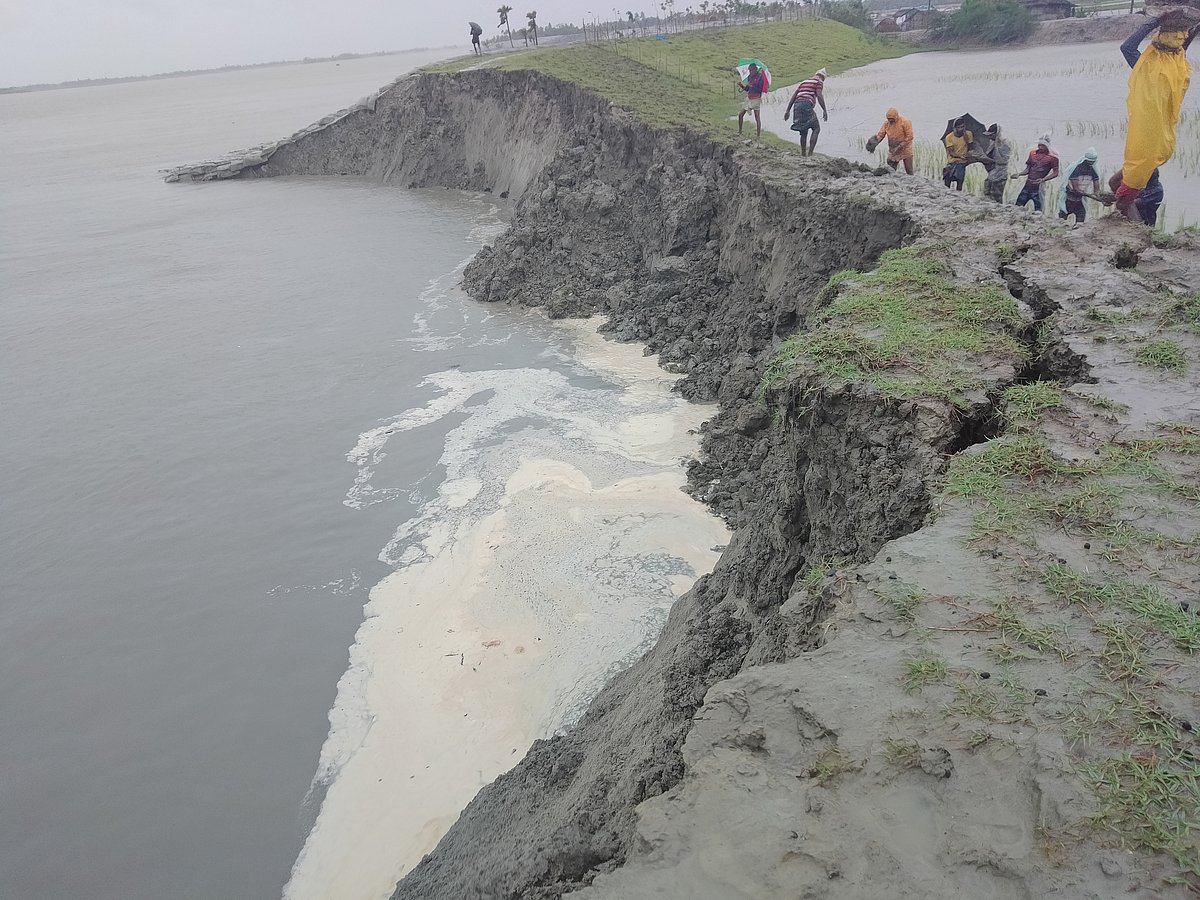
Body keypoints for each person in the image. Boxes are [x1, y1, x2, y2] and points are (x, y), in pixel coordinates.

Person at [1115, 15, 1199, 220]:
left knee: (1122, 202)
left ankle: (1138, 232)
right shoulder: (1176, 67)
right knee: (1113, 184)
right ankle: (1129, 206)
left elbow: (1127, 48)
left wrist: (1154, 21)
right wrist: (1194, 27)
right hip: (1161, 144)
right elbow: (1182, 46)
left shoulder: (1147, 69)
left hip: (1147, 148)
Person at [784, 68, 828, 156]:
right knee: (816, 128)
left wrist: (788, 110)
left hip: (797, 106)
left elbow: (794, 95)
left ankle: (803, 154)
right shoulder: (819, 82)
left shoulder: (804, 82)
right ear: (823, 77)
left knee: (803, 130)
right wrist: (824, 110)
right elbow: (819, 95)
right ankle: (810, 154)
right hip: (806, 105)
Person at [1010, 136, 1059, 212]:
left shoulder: (1052, 158)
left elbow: (1056, 173)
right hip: (1028, 185)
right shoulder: (1032, 154)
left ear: (1047, 146)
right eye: (1039, 145)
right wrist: (1019, 174)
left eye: (1043, 145)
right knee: (1018, 206)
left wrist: (1043, 179)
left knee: (1038, 209)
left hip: (1038, 187)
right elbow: (1028, 169)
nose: (1040, 147)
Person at [1058, 147, 1101, 223]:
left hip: (1079, 201)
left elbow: (1096, 186)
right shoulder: (1077, 168)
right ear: (1085, 160)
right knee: (1061, 221)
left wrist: (1100, 197)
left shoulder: (1092, 170)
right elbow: (1075, 188)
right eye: (1089, 162)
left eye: (1092, 162)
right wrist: (1088, 195)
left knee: (1080, 222)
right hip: (1069, 200)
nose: (1091, 164)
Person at [874, 108, 914, 175]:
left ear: (896, 116)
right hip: (893, 150)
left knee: (909, 170)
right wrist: (874, 143)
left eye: (891, 118)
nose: (890, 120)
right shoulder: (886, 124)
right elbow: (881, 135)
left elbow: (910, 136)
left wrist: (899, 146)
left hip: (905, 149)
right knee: (890, 170)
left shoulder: (905, 122)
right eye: (888, 118)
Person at [980, 123, 1012, 203]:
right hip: (993, 171)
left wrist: (992, 159)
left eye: (991, 135)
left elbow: (1004, 160)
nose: (989, 137)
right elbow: (988, 155)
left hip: (1001, 173)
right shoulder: (992, 143)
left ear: (996, 134)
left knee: (997, 195)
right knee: (987, 191)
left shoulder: (1004, 144)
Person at [942, 118, 974, 191]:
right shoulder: (949, 137)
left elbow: (971, 148)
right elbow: (951, 153)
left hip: (962, 163)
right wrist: (960, 156)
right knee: (947, 183)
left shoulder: (968, 134)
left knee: (959, 183)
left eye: (962, 127)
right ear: (955, 128)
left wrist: (969, 154)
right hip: (952, 162)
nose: (961, 129)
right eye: (959, 127)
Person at [738, 63, 767, 138]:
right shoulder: (750, 77)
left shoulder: (761, 77)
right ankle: (740, 131)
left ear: (755, 70)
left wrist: (752, 86)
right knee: (740, 114)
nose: (750, 72)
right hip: (749, 97)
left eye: (751, 71)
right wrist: (742, 86)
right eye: (749, 71)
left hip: (756, 98)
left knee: (757, 117)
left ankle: (758, 136)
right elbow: (747, 89)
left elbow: (760, 89)